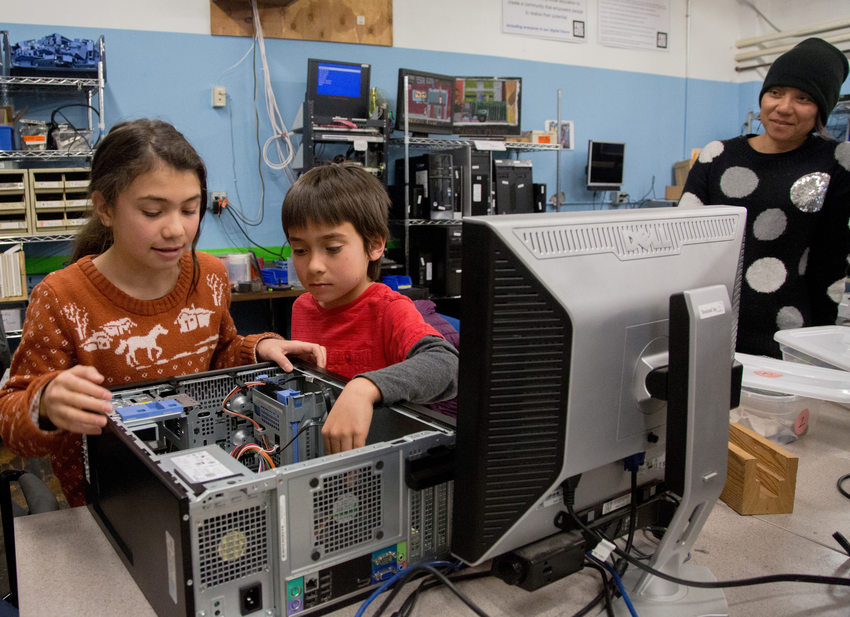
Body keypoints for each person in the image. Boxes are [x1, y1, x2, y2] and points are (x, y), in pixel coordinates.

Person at [0, 119, 326, 506]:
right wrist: (46, 402)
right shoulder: (60, 297)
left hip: (205, 487)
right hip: (111, 503)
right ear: (105, 207)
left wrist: (256, 351)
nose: (176, 230)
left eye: (190, 210)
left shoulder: (210, 275)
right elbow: (10, 418)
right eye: (153, 212)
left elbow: (217, 354)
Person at [679, 37, 850, 358]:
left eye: (803, 98)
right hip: (710, 326)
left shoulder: (836, 162)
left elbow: (831, 260)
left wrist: (820, 347)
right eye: (775, 92)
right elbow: (681, 246)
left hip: (789, 337)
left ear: (821, 110)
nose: (784, 107)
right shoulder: (717, 156)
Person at [281, 163, 458, 454]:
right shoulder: (302, 306)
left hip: (379, 464)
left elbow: (446, 365)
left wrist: (364, 387)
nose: (313, 266)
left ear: (375, 245)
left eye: (333, 248)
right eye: (300, 250)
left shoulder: (388, 310)